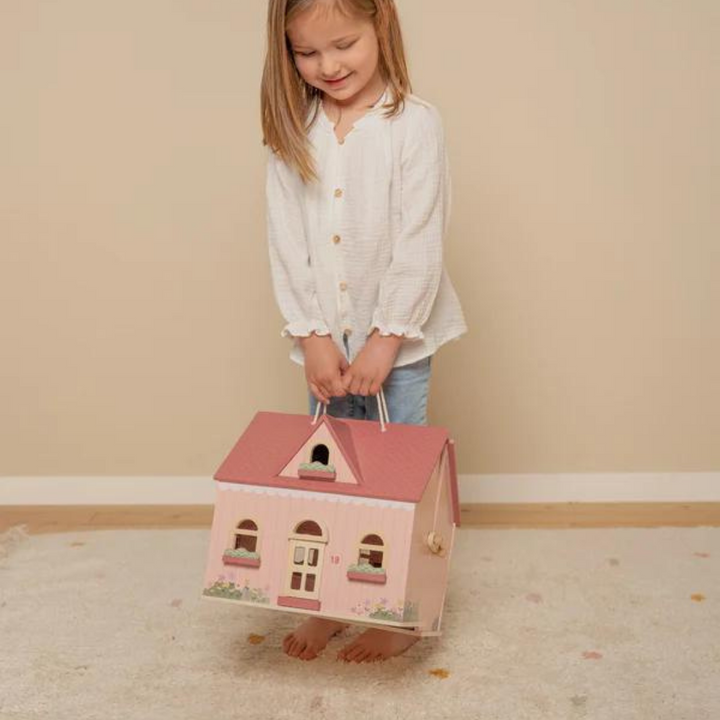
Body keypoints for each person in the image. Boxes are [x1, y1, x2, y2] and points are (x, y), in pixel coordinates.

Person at [261, 0, 467, 662]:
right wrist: (312, 333)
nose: (329, 66)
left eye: (343, 44)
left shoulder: (414, 125)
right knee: (327, 483)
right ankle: (325, 604)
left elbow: (419, 236)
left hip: (396, 344)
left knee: (392, 481)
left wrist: (389, 336)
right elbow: (286, 238)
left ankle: (396, 611)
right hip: (327, 339)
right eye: (308, 53)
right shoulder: (295, 127)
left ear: (381, 26)